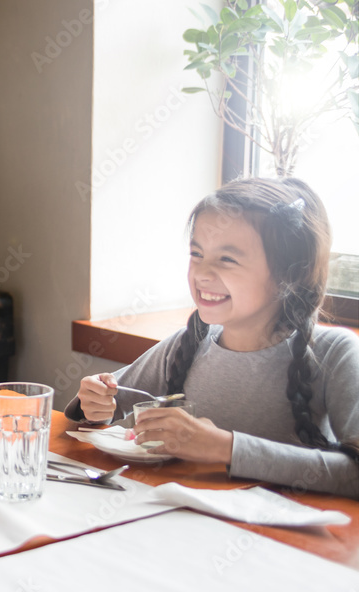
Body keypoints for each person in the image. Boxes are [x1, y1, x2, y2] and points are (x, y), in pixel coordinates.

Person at [66, 177, 359, 498]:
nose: (202, 273)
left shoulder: (335, 353)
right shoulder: (186, 344)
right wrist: (95, 403)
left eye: (227, 259)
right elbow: (94, 410)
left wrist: (227, 448)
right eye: (196, 253)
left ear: (288, 274)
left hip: (281, 539)